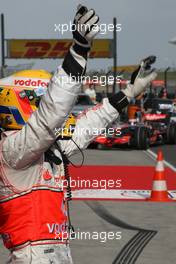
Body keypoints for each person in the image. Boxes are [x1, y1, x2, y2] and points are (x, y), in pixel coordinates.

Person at [0, 5, 157, 264]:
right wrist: (79, 50)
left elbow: (84, 129)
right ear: (15, 102)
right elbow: (51, 115)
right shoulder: (11, 152)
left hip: (54, 254)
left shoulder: (39, 149)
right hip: (31, 257)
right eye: (38, 99)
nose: (43, 103)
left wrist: (127, 93)